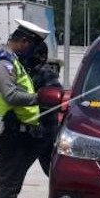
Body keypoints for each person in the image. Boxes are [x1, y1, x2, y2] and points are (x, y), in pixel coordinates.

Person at [0, 19, 49, 198]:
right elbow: (11, 95)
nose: (32, 50)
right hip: (9, 132)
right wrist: (39, 98)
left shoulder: (13, 61)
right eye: (31, 45)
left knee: (9, 185)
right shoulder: (3, 63)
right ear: (23, 42)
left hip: (18, 130)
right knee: (9, 186)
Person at [25, 41, 62, 176]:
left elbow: (56, 97)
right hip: (32, 130)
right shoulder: (30, 72)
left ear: (41, 56)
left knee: (51, 170)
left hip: (44, 131)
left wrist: (36, 100)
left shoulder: (47, 73)